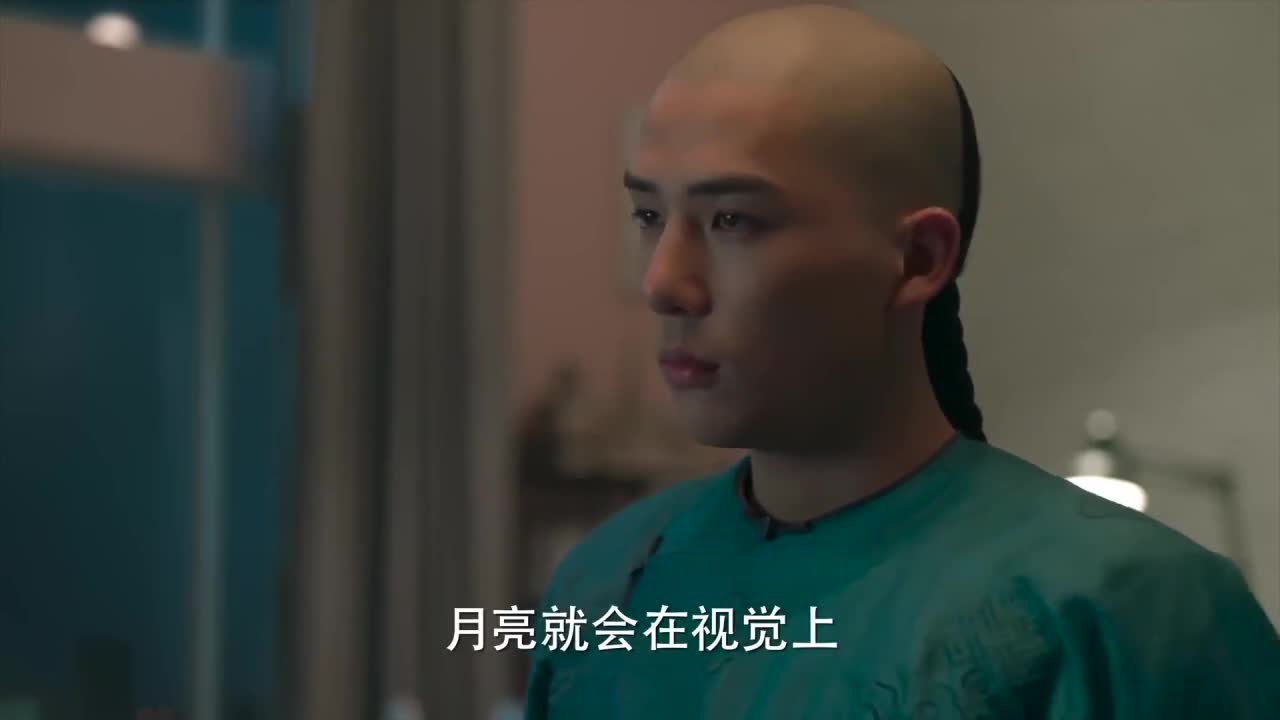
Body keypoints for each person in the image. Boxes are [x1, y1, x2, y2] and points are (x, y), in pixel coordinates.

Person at [523, 5, 1280, 718]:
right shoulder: (608, 580)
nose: (663, 283)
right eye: (649, 214)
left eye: (731, 219)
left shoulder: (1131, 609)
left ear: (918, 257)